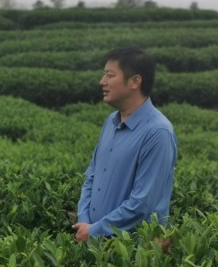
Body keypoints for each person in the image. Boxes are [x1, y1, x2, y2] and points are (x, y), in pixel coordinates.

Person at [73, 48, 177, 242]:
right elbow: (92, 176)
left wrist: (95, 230)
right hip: (93, 241)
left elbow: (143, 203)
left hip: (129, 252)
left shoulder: (158, 132)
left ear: (135, 82)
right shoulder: (110, 122)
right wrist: (85, 222)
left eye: (110, 75)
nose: (102, 81)